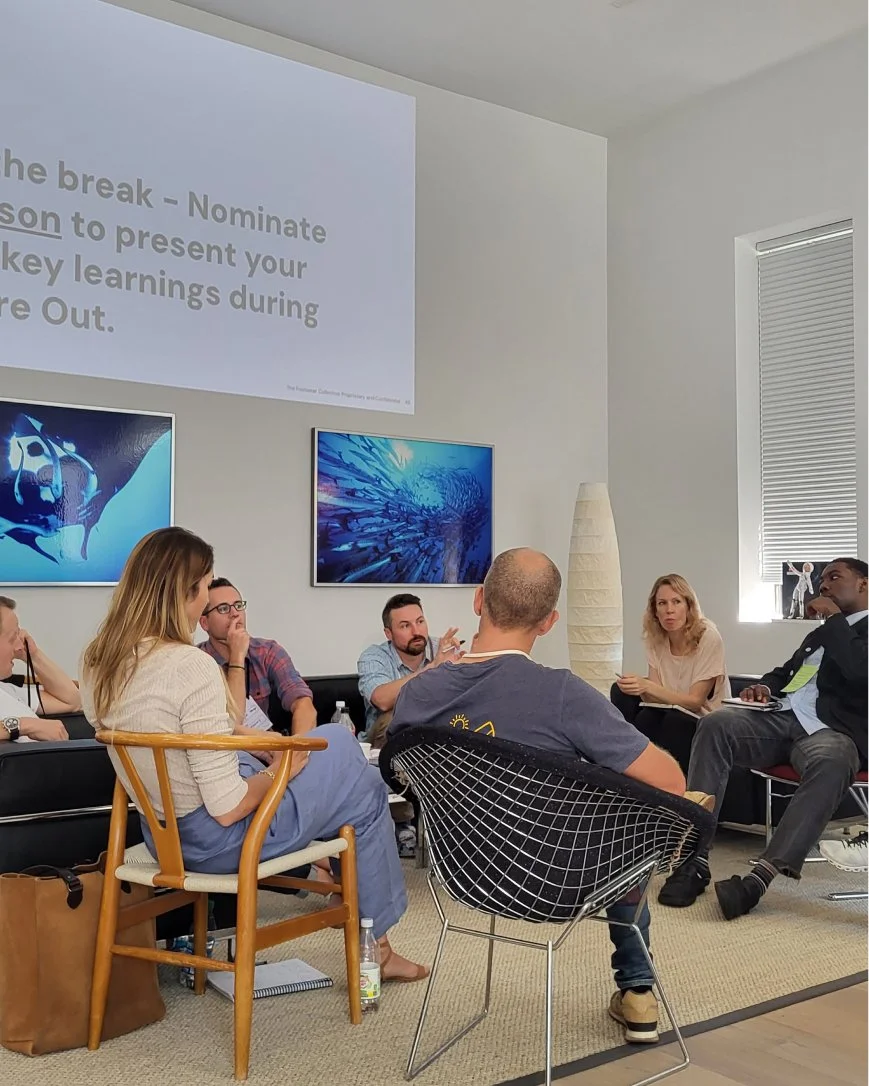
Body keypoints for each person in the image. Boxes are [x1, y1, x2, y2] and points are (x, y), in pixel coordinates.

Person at [79, 527, 427, 982]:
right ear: (184, 593)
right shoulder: (190, 665)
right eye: (205, 590)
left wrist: (267, 748)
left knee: (331, 765)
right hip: (219, 842)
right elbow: (228, 808)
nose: (207, 602)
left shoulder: (99, 662)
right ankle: (376, 947)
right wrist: (288, 764)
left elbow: (181, 738)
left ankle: (367, 931)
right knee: (347, 761)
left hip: (160, 831)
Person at [388, 548, 689, 1045]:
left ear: (478, 600)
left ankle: (636, 992)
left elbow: (403, 776)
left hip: (463, 870)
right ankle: (638, 989)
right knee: (631, 821)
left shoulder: (418, 693)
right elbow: (671, 783)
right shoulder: (565, 694)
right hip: (558, 878)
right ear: (549, 623)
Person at [658, 557, 868, 920]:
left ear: (864, 585)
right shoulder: (820, 634)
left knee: (832, 761)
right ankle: (694, 860)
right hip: (781, 719)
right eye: (821, 579)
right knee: (716, 724)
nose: (823, 584)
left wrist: (834, 620)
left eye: (834, 577)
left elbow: (860, 671)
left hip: (834, 732)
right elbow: (785, 673)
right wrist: (764, 688)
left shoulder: (839, 629)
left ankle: (759, 880)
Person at [611, 574, 730, 773]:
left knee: (670, 723)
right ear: (654, 610)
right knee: (622, 693)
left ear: (689, 606)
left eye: (676, 602)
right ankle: (625, 770)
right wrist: (637, 686)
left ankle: (662, 783)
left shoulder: (708, 636)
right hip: (669, 709)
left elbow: (695, 702)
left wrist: (647, 686)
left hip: (702, 718)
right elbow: (656, 699)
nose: (669, 610)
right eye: (662, 603)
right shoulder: (655, 637)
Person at [199, 578, 317, 735]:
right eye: (223, 608)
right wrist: (237, 656)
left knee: (337, 733)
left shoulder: (267, 651)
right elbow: (228, 726)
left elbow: (303, 704)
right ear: (204, 623)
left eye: (238, 606)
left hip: (272, 750)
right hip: (228, 753)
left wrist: (295, 753)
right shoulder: (196, 662)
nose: (235, 614)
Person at [357, 593, 462, 746]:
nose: (416, 632)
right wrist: (432, 668)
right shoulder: (374, 656)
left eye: (420, 622)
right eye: (405, 626)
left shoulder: (442, 648)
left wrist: (469, 662)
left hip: (435, 732)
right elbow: (382, 700)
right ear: (389, 634)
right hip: (382, 742)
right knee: (394, 718)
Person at [0, 594, 78, 742]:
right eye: (12, 638)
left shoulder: (6, 690)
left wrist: (33, 655)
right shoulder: (24, 725)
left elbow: (71, 701)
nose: (18, 646)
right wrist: (23, 725)